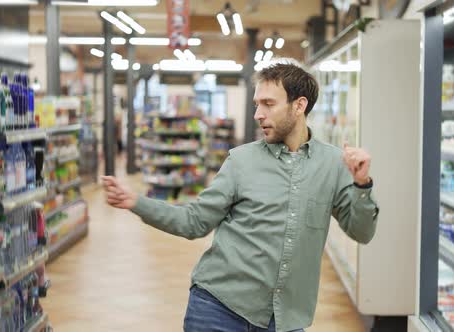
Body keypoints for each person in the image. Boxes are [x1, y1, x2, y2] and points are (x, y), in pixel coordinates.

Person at [102, 63, 379, 332]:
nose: (258, 114)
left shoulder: (333, 163)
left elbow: (362, 232)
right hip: (217, 309)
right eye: (256, 104)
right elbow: (194, 222)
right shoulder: (241, 161)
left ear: (299, 105)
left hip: (283, 318)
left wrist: (362, 184)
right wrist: (136, 203)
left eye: (268, 104)